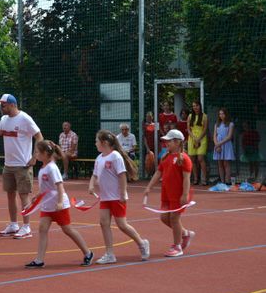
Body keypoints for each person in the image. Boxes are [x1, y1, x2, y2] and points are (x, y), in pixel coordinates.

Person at [25, 140, 94, 268]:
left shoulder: (52, 168)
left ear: (45, 153)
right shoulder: (43, 168)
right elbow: (46, 188)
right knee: (42, 228)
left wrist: (61, 202)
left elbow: (59, 186)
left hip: (58, 205)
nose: (35, 154)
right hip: (47, 205)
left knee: (67, 229)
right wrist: (36, 197)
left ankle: (88, 253)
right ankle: (39, 259)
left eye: (37, 152)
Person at [89, 130, 150, 264]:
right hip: (105, 198)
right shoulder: (99, 158)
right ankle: (110, 253)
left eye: (97, 141)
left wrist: (123, 193)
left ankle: (142, 242)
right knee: (103, 223)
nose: (95, 144)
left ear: (104, 143)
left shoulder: (115, 156)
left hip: (116, 197)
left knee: (122, 224)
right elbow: (95, 174)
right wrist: (91, 185)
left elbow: (122, 175)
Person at [0, 94, 43, 239]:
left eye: (3, 104)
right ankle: (13, 224)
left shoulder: (25, 118)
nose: (1, 106)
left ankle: (26, 227)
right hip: (8, 165)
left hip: (22, 165)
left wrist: (35, 156)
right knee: (10, 195)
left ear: (12, 104)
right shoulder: (4, 119)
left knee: (24, 196)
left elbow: (39, 136)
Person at [144, 129, 195, 257]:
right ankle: (185, 233)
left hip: (178, 194)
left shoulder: (184, 159)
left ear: (177, 142)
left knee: (174, 218)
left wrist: (184, 194)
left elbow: (186, 178)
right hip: (166, 194)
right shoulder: (166, 157)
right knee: (164, 217)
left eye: (169, 141)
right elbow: (158, 172)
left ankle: (177, 246)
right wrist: (149, 186)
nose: (166, 143)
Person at [187, 101, 208, 186]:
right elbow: (188, 129)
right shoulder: (190, 116)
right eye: (193, 106)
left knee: (200, 159)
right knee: (192, 160)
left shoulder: (204, 116)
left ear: (200, 106)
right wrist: (194, 138)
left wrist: (198, 139)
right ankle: (196, 179)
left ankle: (204, 179)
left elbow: (205, 129)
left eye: (197, 106)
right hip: (192, 138)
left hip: (202, 138)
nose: (195, 107)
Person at [213, 108, 235, 185]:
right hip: (218, 145)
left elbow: (229, 136)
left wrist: (219, 144)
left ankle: (227, 181)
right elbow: (214, 136)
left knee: (226, 163)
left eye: (223, 114)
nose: (221, 115)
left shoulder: (230, 124)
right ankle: (222, 181)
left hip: (226, 145)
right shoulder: (217, 124)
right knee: (220, 164)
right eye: (220, 114)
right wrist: (217, 145)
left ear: (226, 114)